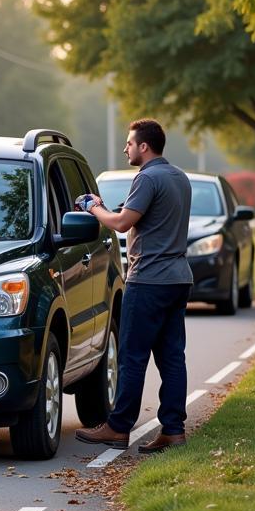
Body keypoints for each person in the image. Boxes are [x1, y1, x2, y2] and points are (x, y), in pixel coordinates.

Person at [75, 119, 193, 454]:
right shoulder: (179, 178)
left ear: (144, 146)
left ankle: (118, 427)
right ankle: (173, 429)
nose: (125, 148)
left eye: (129, 143)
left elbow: (123, 222)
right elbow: (149, 219)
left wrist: (92, 207)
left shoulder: (147, 177)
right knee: (172, 357)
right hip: (178, 278)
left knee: (132, 355)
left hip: (149, 280)